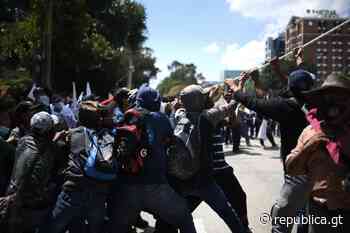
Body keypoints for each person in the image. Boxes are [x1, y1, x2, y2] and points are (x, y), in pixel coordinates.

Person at [225, 52, 315, 233]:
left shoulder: (286, 107)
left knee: (282, 218)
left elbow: (254, 103)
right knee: (308, 210)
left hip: (297, 170)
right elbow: (299, 84)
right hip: (319, 168)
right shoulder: (317, 101)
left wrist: (236, 88)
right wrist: (285, 67)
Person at [155, 85, 246, 233]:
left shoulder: (178, 116)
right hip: (204, 181)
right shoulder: (207, 117)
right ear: (198, 100)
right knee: (227, 213)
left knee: (178, 218)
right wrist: (236, 91)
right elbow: (231, 107)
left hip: (181, 179)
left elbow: (179, 108)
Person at [109, 84, 197, 233]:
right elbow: (172, 142)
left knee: (117, 227)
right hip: (156, 186)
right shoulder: (161, 119)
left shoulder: (127, 117)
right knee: (184, 218)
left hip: (127, 187)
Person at [286, 73, 350, 233]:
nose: (334, 104)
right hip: (319, 212)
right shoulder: (310, 133)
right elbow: (291, 169)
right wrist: (309, 147)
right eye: (329, 98)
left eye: (340, 97)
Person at [39, 101, 116, 233]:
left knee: (50, 228)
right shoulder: (107, 135)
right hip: (99, 193)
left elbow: (51, 154)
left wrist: (55, 140)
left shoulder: (72, 134)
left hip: (73, 191)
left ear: (79, 117)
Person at [6, 112, 57, 233]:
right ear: (49, 132)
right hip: (30, 205)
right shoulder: (50, 152)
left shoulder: (23, 141)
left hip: (13, 197)